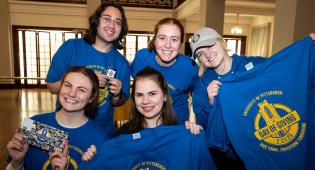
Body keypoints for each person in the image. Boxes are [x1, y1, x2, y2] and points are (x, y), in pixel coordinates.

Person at [191, 27, 315, 170]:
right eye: (200, 54)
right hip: (234, 157)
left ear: (222, 43)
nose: (207, 54)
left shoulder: (256, 65)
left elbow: (291, 73)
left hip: (272, 145)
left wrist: (314, 50)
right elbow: (206, 130)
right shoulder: (202, 85)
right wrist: (211, 102)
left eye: (210, 46)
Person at [78, 67, 215, 169]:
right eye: (139, 95)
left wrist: (194, 134)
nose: (145, 101)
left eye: (152, 93)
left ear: (165, 96)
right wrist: (92, 160)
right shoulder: (121, 136)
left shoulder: (185, 135)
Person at [46, 2, 131, 135]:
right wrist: (87, 80)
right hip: (65, 127)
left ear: (122, 28)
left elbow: (117, 102)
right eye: (107, 18)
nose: (112, 26)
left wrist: (117, 94)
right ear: (96, 21)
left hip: (102, 131)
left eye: (118, 22)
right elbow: (51, 86)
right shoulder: (70, 48)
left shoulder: (123, 63)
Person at [6, 66, 110, 170]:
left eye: (81, 90)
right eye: (68, 85)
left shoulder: (100, 138)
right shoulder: (34, 124)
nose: (72, 93)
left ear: (92, 97)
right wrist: (16, 162)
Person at [130, 18, 198, 123]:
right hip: (144, 124)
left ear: (181, 42)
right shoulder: (142, 58)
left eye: (174, 39)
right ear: (155, 40)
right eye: (162, 38)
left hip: (176, 126)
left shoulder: (190, 67)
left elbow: (199, 98)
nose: (168, 45)